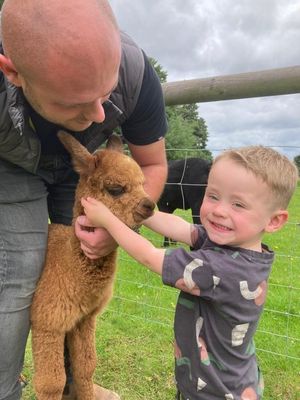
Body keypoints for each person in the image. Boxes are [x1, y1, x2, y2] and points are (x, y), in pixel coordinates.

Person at [0, 0, 168, 399]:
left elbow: (153, 167)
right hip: (10, 160)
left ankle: (79, 387)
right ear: (13, 72)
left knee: (81, 263)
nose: (97, 113)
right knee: (20, 268)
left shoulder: (136, 76)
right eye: (74, 101)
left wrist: (117, 227)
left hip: (84, 168)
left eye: (105, 93)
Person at [81, 145, 299, 400]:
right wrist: (132, 206)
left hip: (217, 392)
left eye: (238, 204)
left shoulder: (223, 269)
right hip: (224, 381)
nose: (219, 210)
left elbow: (150, 256)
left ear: (274, 221)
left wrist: (108, 219)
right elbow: (181, 227)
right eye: (213, 196)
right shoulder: (233, 246)